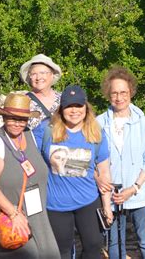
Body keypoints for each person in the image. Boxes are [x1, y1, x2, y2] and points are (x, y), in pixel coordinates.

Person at [0, 93, 60, 258]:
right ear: (3, 118)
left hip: (36, 213)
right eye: (12, 118)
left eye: (22, 119)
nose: (17, 123)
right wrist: (13, 214)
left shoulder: (29, 135)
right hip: (11, 215)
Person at [41, 85, 113, 259]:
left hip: (87, 201)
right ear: (62, 109)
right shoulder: (47, 131)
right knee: (62, 251)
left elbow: (104, 172)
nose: (74, 110)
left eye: (79, 105)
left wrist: (106, 205)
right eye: (69, 106)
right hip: (56, 204)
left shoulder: (96, 133)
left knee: (94, 246)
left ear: (86, 107)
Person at [96, 66, 145, 259]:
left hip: (139, 194)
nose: (119, 97)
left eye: (123, 92)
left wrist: (134, 187)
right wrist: (100, 181)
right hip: (111, 197)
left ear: (131, 92)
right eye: (114, 93)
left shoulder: (143, 122)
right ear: (108, 94)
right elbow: (93, 160)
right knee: (114, 243)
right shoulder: (98, 123)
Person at [20, 54, 62, 138]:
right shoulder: (23, 101)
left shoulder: (64, 99)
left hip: (63, 149)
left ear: (52, 75)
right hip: (34, 150)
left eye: (43, 73)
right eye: (34, 74)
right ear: (30, 77)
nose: (38, 77)